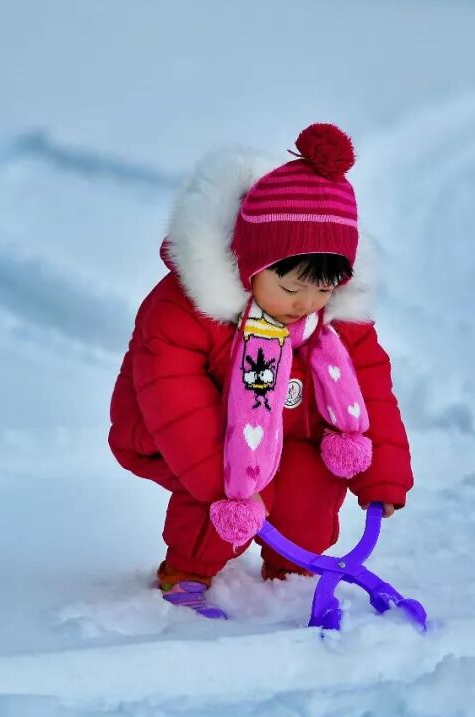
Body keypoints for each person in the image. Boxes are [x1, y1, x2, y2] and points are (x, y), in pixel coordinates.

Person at [108, 123, 413, 619]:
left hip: (289, 432)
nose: (307, 304)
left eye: (323, 288)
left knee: (310, 488)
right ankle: (187, 571)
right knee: (238, 485)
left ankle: (292, 573)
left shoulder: (333, 320)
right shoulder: (184, 313)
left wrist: (384, 474)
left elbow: (371, 389)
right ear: (251, 263)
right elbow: (176, 403)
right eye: (292, 289)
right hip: (181, 437)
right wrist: (233, 491)